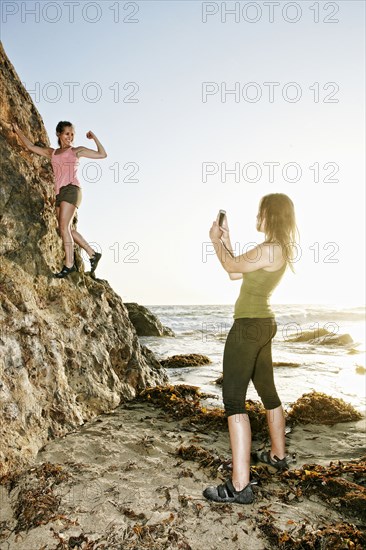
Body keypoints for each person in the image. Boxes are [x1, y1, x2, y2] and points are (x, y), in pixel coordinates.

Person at [203, 193, 299, 505]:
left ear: (270, 215)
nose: (256, 218)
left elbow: (230, 264)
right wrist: (226, 239)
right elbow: (234, 272)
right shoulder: (276, 249)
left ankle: (240, 485)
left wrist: (214, 240)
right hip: (263, 323)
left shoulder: (268, 249)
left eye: (260, 213)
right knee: (267, 391)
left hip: (247, 326)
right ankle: (277, 455)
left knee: (232, 399)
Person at [11, 120, 107, 278]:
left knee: (64, 227)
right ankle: (92, 253)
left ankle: (69, 264)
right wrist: (17, 130)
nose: (70, 136)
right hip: (59, 193)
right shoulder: (52, 153)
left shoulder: (76, 151)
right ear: (58, 134)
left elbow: (102, 154)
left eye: (72, 134)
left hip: (72, 189)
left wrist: (94, 137)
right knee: (65, 228)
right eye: (67, 133)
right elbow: (31, 147)